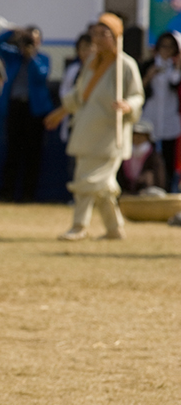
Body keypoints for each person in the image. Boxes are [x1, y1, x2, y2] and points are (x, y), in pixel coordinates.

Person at [44, 13, 144, 240]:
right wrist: (61, 112)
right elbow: (80, 95)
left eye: (104, 34)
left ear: (116, 36)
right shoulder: (91, 62)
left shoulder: (126, 65)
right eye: (95, 34)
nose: (98, 39)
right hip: (87, 130)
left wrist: (127, 105)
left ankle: (79, 226)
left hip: (110, 134)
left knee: (88, 181)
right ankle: (114, 228)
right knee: (102, 186)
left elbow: (138, 96)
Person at [0, 26, 52, 202]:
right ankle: (7, 193)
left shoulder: (42, 59)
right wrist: (12, 32)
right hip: (14, 108)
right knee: (12, 152)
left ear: (39, 42)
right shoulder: (12, 57)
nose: (28, 44)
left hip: (35, 111)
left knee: (33, 153)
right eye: (27, 40)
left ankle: (28, 194)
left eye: (33, 40)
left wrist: (31, 55)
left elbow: (41, 75)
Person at [140, 31, 181, 191]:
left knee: (169, 158)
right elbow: (139, 90)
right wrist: (149, 76)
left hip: (170, 118)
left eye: (171, 47)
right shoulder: (148, 65)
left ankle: (168, 188)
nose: (166, 50)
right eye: (163, 46)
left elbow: (175, 84)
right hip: (149, 117)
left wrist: (177, 67)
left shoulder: (175, 67)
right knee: (147, 155)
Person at [117, 120, 166, 194]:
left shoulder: (153, 156)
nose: (137, 138)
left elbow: (160, 179)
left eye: (141, 135)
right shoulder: (124, 153)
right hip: (126, 193)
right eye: (135, 135)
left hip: (147, 193)